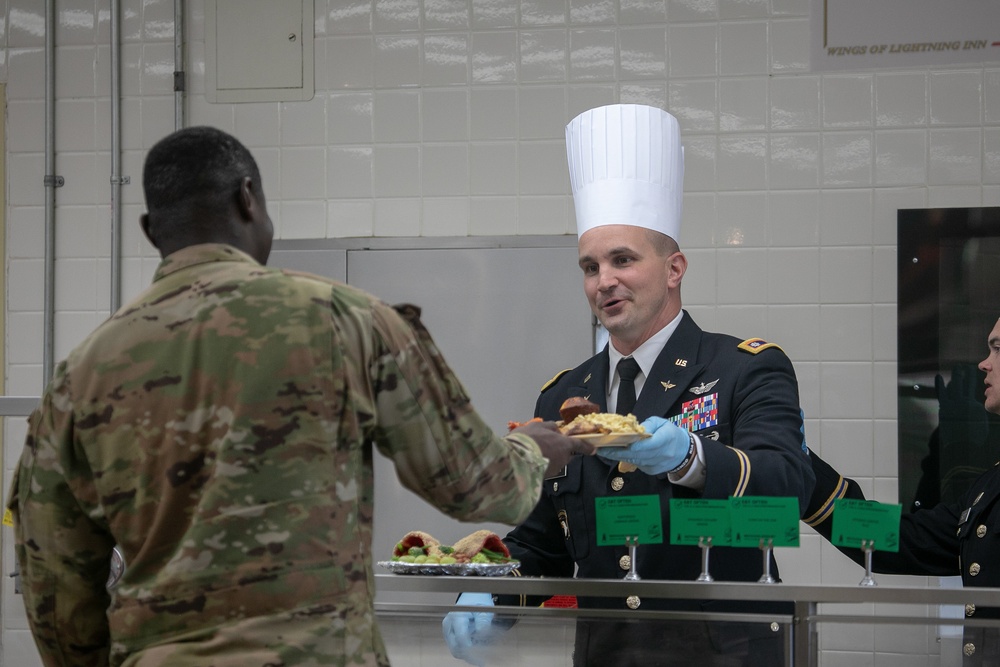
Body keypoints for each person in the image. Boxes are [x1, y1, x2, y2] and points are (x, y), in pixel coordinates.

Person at [5, 125, 595, 667]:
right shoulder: (348, 322)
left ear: (151, 230)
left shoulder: (80, 376)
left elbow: (52, 578)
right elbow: (475, 485)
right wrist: (535, 450)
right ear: (248, 200)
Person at [443, 104, 816, 666]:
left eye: (623, 260)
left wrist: (691, 456)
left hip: (725, 656)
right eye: (590, 267)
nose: (604, 281)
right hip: (608, 654)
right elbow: (545, 536)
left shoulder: (744, 368)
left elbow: (787, 488)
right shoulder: (563, 394)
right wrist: (495, 591)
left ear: (674, 268)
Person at [803, 315, 1000, 664]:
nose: (984, 363)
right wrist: (802, 469)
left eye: (998, 349)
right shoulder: (990, 485)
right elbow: (902, 540)